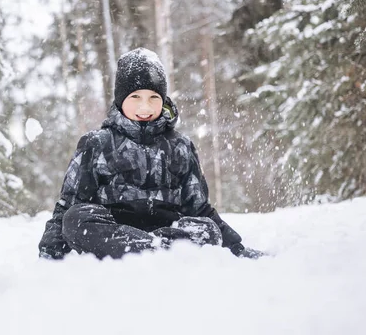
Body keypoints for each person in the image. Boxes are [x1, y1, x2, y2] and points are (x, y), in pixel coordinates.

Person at [38, 47, 264, 260]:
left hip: (169, 231)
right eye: (135, 97)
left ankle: (155, 248)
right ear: (120, 99)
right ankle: (154, 250)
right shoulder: (95, 143)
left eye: (154, 98)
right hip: (115, 234)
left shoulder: (181, 146)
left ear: (163, 100)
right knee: (75, 220)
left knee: (208, 230)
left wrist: (236, 247)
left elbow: (200, 208)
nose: (145, 107)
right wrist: (50, 250)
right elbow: (69, 204)